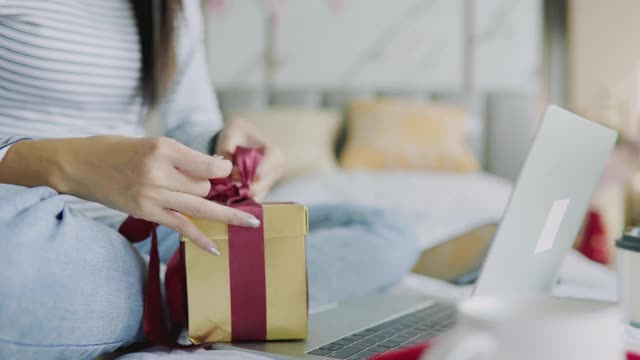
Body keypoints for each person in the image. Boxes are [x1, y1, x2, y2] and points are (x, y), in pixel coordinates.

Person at [0, 1, 418, 358]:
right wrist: (66, 165)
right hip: (27, 221)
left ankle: (171, 295)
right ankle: (201, 296)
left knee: (384, 230)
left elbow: (191, 121)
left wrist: (225, 146)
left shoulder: (171, 6)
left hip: (147, 221)